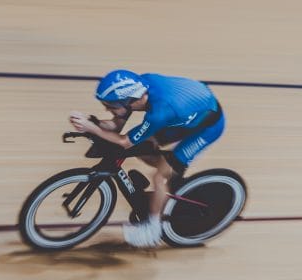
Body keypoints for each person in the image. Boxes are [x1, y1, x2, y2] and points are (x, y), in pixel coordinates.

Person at [69, 69, 225, 248]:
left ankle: (153, 228)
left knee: (159, 177)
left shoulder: (158, 113)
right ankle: (170, 175)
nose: (107, 109)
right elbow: (116, 124)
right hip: (184, 114)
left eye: (111, 106)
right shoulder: (137, 90)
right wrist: (91, 122)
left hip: (207, 126)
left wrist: (93, 129)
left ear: (130, 102)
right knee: (144, 147)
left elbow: (125, 141)